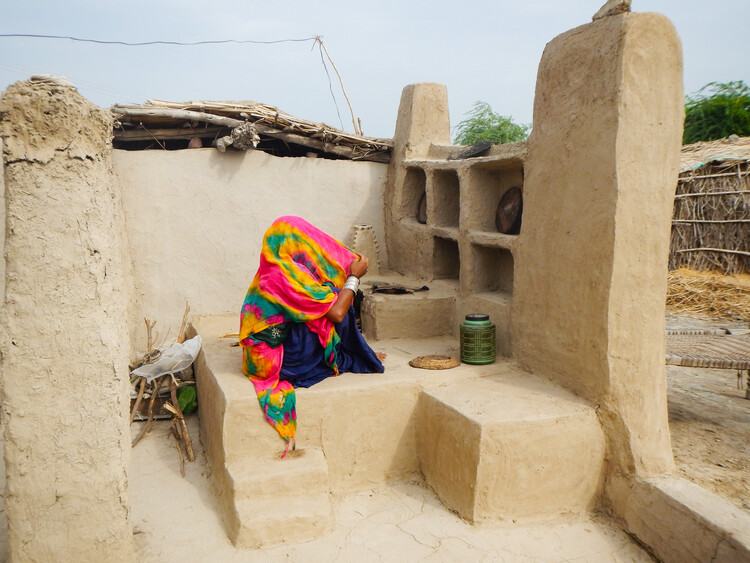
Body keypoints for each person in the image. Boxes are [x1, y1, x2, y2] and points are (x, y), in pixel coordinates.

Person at [239, 216, 385, 456]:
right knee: (335, 302)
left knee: (326, 297)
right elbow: (337, 314)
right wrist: (354, 277)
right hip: (274, 365)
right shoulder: (281, 277)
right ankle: (347, 356)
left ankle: (352, 352)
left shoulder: (275, 267)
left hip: (263, 353)